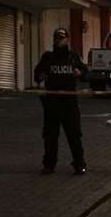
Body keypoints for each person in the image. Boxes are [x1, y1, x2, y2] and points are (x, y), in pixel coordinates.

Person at [34, 28, 89, 175]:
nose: (59, 41)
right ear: (53, 40)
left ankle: (79, 164)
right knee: (50, 136)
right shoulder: (48, 57)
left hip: (69, 103)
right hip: (52, 103)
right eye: (57, 38)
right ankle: (49, 165)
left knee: (74, 135)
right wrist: (41, 76)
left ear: (67, 40)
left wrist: (80, 73)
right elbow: (37, 74)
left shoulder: (73, 57)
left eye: (62, 38)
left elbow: (86, 74)